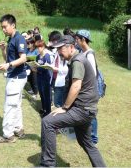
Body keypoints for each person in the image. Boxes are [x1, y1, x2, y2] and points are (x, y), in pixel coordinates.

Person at [40, 35, 106, 167]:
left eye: (61, 49)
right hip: (87, 109)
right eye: (57, 49)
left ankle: (47, 165)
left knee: (47, 122)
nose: (59, 52)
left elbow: (76, 86)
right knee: (86, 142)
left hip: (81, 109)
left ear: (71, 47)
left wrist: (64, 108)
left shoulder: (77, 61)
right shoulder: (77, 59)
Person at [0, 14, 28, 143]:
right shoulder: (11, 39)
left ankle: (8, 135)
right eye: (2, 27)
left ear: (13, 25)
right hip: (14, 76)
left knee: (9, 105)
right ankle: (18, 129)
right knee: (16, 104)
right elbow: (8, 59)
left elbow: (23, 58)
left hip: (16, 77)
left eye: (5, 27)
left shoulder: (19, 39)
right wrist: (3, 50)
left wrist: (8, 65)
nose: (3, 30)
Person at [75, 29, 98, 144]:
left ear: (83, 39)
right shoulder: (82, 53)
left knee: (91, 113)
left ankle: (93, 138)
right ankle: (87, 134)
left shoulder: (89, 54)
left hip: (89, 89)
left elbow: (92, 74)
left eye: (77, 39)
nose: (76, 42)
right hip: (86, 88)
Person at [47, 31, 68, 107]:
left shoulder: (64, 51)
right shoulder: (56, 50)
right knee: (56, 102)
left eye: (52, 41)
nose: (52, 43)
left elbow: (67, 69)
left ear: (57, 40)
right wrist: (49, 66)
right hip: (55, 78)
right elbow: (55, 63)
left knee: (59, 103)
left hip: (61, 81)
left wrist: (56, 69)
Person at [34, 40, 52, 117]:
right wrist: (34, 67)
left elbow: (47, 67)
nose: (39, 48)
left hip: (45, 77)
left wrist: (38, 68)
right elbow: (36, 65)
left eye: (40, 47)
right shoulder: (38, 56)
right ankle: (44, 108)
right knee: (41, 93)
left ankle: (48, 111)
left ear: (44, 47)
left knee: (46, 95)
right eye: (37, 47)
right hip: (39, 77)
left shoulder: (47, 56)